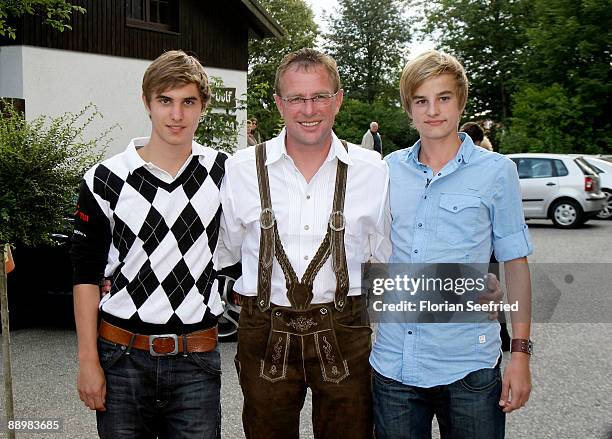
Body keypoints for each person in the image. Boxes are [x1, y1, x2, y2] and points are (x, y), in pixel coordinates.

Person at [216, 48, 390, 439]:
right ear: (279, 103)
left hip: (346, 328)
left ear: (338, 99)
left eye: (320, 96)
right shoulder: (242, 169)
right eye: (296, 98)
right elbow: (225, 250)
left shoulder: (373, 171)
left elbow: (384, 257)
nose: (308, 109)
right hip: (263, 330)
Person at [371, 50, 533, 438]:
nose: (433, 111)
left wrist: (521, 356)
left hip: (469, 364)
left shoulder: (497, 172)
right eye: (421, 101)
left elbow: (516, 265)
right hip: (394, 366)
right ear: (408, 108)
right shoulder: (384, 171)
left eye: (443, 98)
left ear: (461, 101)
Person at [70, 50, 228, 439]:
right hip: (121, 357)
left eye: (188, 101)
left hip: (197, 359)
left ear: (202, 106)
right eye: (165, 101)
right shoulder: (104, 178)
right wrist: (88, 361)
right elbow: (85, 274)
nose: (176, 114)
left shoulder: (226, 173)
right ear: (147, 102)